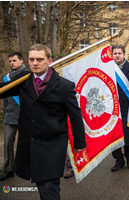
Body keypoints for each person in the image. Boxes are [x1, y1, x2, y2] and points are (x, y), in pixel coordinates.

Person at [0, 44, 86, 199]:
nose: (35, 63)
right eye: (32, 59)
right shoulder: (23, 82)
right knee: (41, 185)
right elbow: (3, 90)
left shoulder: (64, 86)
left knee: (49, 188)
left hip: (53, 145)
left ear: (49, 60)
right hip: (30, 144)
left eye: (40, 59)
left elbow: (75, 116)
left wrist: (79, 143)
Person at [0, 52, 26, 181]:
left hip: (24, 115)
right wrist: (5, 115)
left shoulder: (28, 76)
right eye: (10, 61)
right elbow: (5, 100)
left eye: (14, 60)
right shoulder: (7, 78)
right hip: (10, 116)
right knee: (8, 144)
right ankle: (8, 169)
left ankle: (29, 167)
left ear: (21, 61)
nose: (12, 63)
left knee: (27, 143)